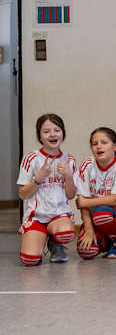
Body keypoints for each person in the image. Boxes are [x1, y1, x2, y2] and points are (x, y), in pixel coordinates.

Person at [17, 114, 77, 266]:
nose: (52, 134)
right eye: (46, 131)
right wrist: (39, 178)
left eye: (57, 130)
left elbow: (71, 195)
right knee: (29, 260)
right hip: (36, 216)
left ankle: (55, 243)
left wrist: (69, 176)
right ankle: (40, 237)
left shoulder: (70, 160)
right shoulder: (31, 158)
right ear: (40, 136)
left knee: (66, 233)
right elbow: (23, 194)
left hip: (59, 215)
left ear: (63, 134)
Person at [75, 127, 116, 260]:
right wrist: (89, 230)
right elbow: (82, 203)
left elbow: (114, 200)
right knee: (86, 251)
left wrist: (87, 202)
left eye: (104, 142)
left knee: (101, 213)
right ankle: (106, 241)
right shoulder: (87, 165)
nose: (99, 147)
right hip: (95, 217)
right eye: (94, 144)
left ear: (115, 145)